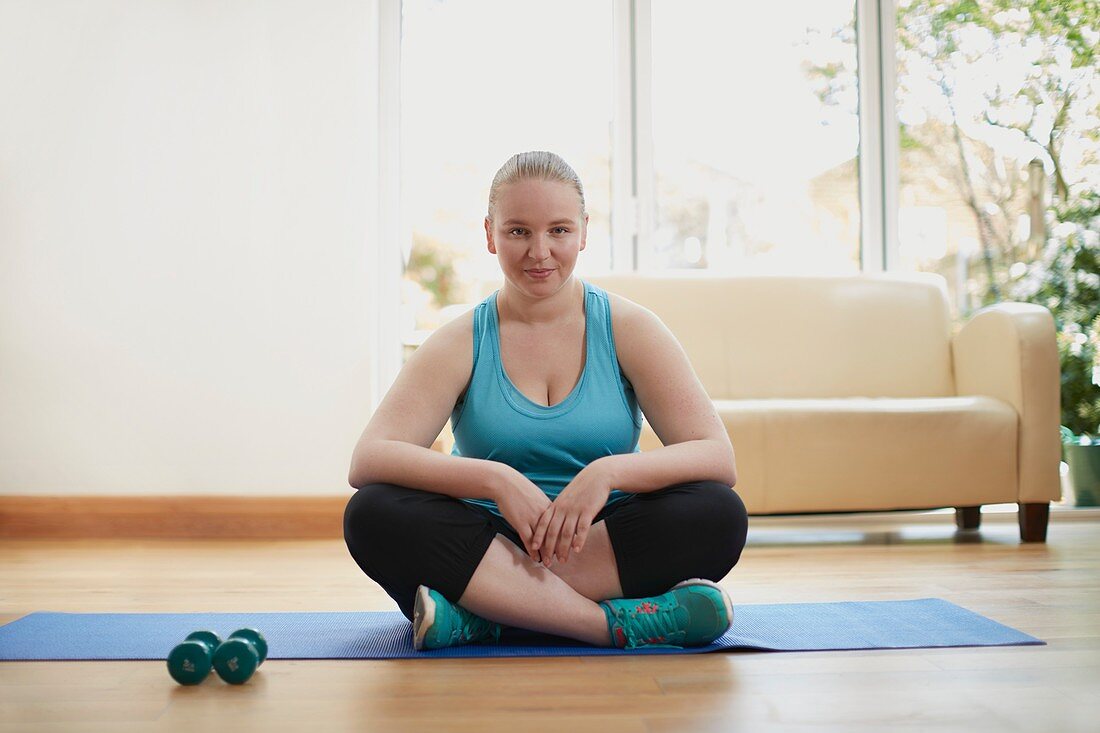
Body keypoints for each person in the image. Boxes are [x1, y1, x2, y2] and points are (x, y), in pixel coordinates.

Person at [344, 151, 748, 651]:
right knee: (372, 512)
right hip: (488, 545)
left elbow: (715, 455)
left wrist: (606, 475)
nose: (540, 252)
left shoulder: (632, 329)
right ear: (490, 234)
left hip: (600, 541)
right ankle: (608, 625)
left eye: (559, 230)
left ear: (584, 231)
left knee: (717, 511)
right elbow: (370, 459)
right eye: (518, 231)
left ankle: (485, 616)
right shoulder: (460, 341)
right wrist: (497, 480)